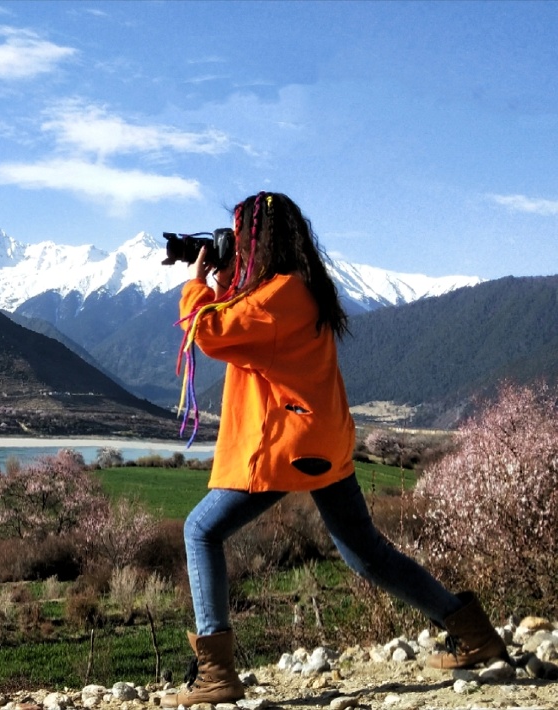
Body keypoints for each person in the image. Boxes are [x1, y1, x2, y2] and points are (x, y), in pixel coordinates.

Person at [160, 192, 508, 708]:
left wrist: (196, 285)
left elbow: (211, 331)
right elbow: (244, 314)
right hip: (324, 442)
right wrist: (223, 273)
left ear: (256, 240)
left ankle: (216, 673)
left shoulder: (279, 294)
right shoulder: (302, 288)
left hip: (286, 445)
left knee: (201, 530)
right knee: (366, 552)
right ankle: (473, 633)